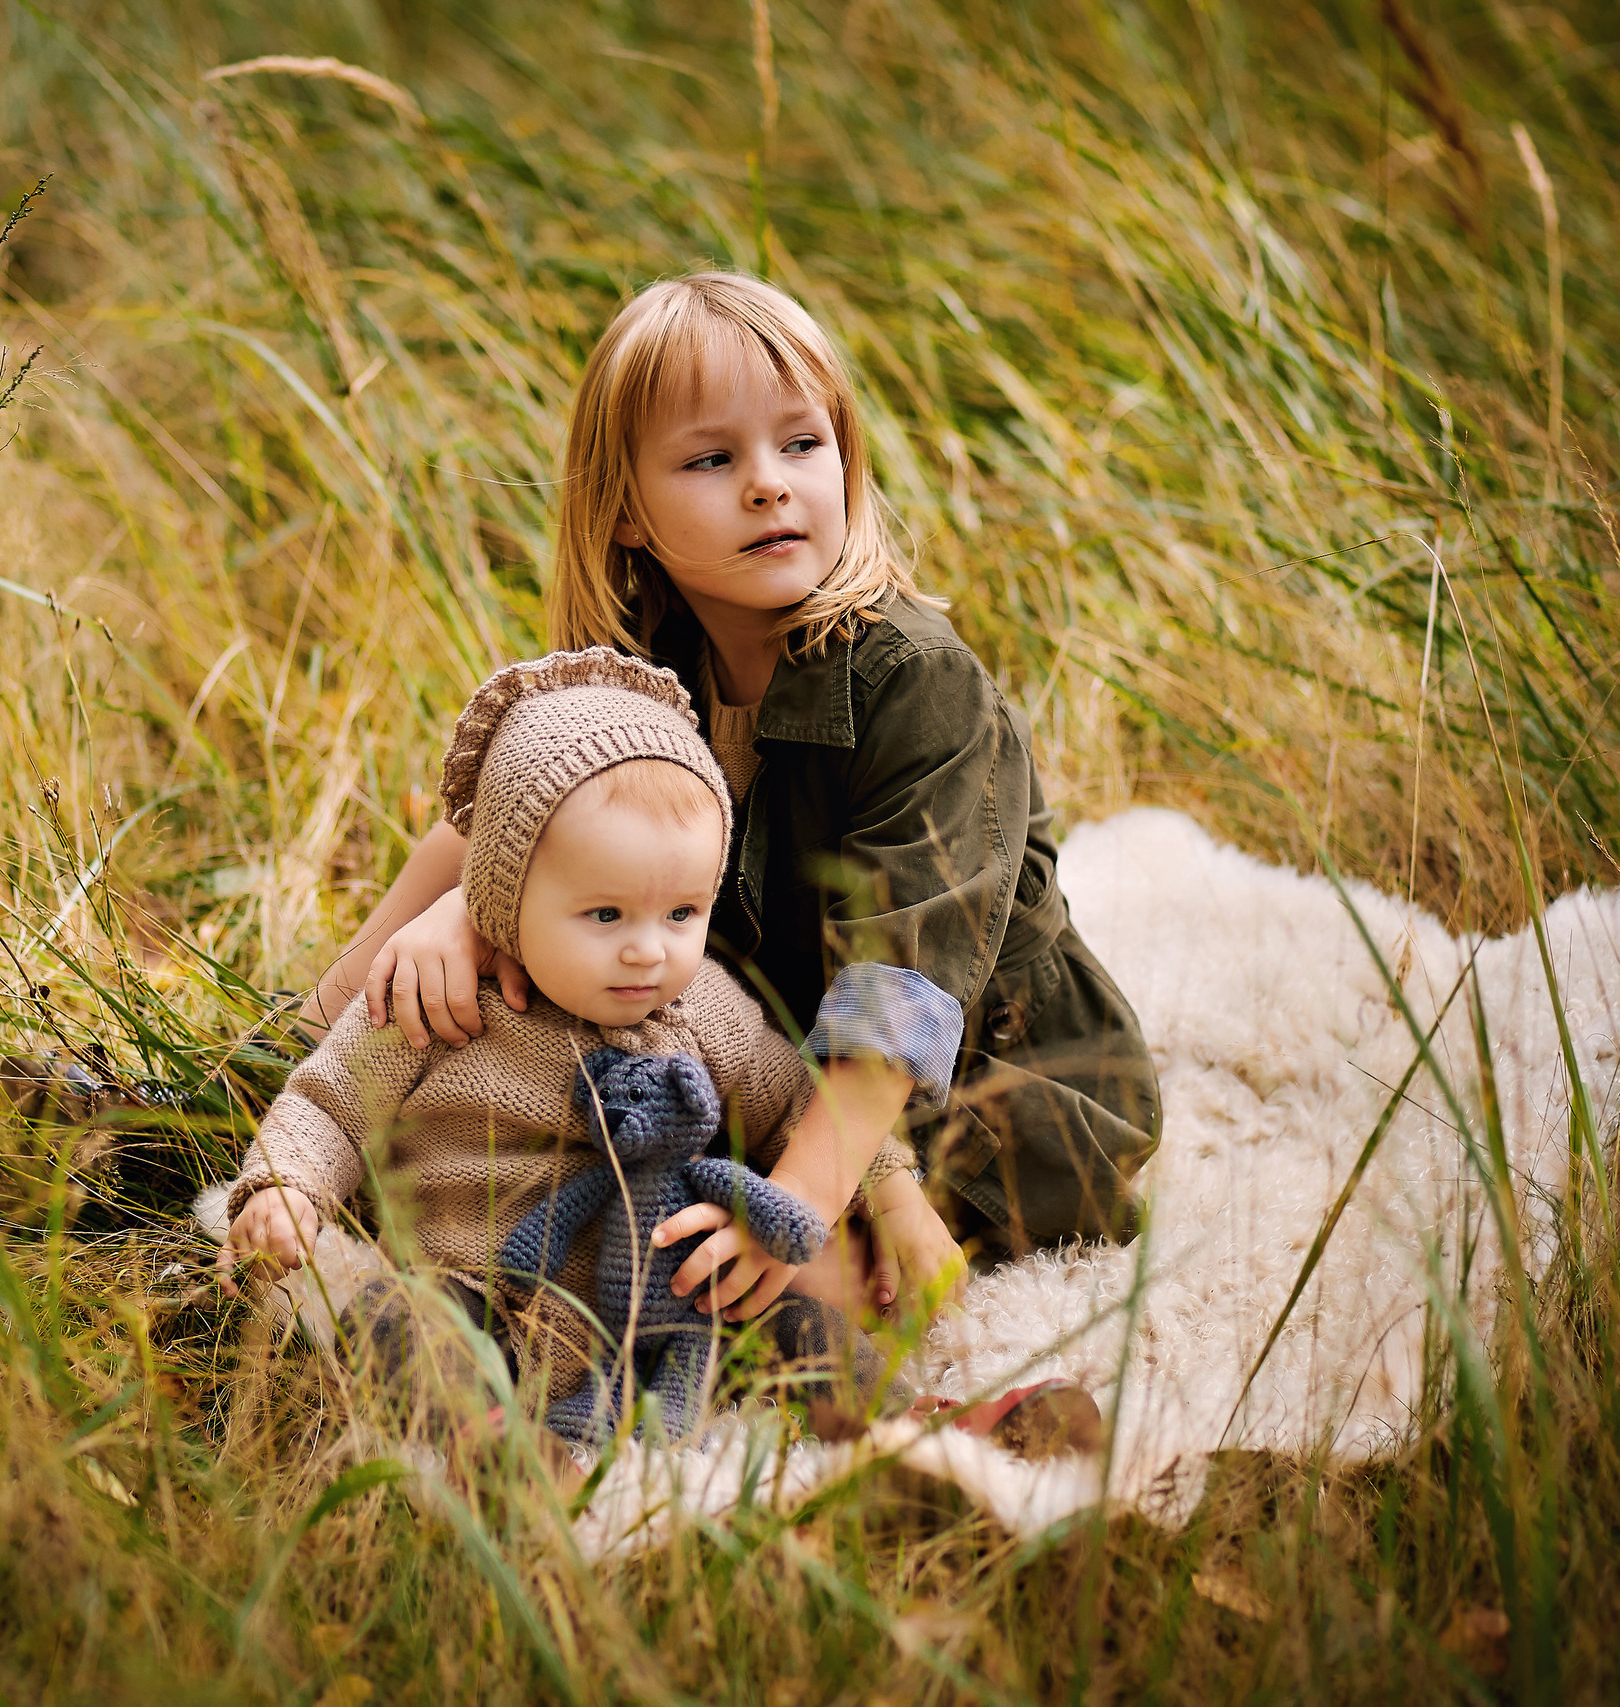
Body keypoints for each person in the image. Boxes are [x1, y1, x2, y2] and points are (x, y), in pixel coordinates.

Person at [310, 272, 1163, 1325]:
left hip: (981, 1093)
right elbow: (511, 812)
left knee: (756, 1280)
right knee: (472, 1040)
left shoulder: (917, 682)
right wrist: (450, 922)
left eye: (801, 444)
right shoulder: (646, 660)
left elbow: (898, 995)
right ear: (627, 512)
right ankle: (277, 1083)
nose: (768, 485)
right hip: (759, 1049)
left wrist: (794, 1201)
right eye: (712, 460)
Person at [221, 650, 909, 1437]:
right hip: (486, 1294)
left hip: (673, 1316)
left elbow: (794, 1101)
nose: (648, 950)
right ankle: (493, 1449)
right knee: (403, 1324)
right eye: (606, 915)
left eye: (682, 914)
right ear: (505, 895)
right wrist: (287, 1188)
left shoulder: (706, 1010)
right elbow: (331, 1104)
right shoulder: (442, 1001)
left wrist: (884, 1182)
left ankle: (909, 1436)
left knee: (801, 1324)